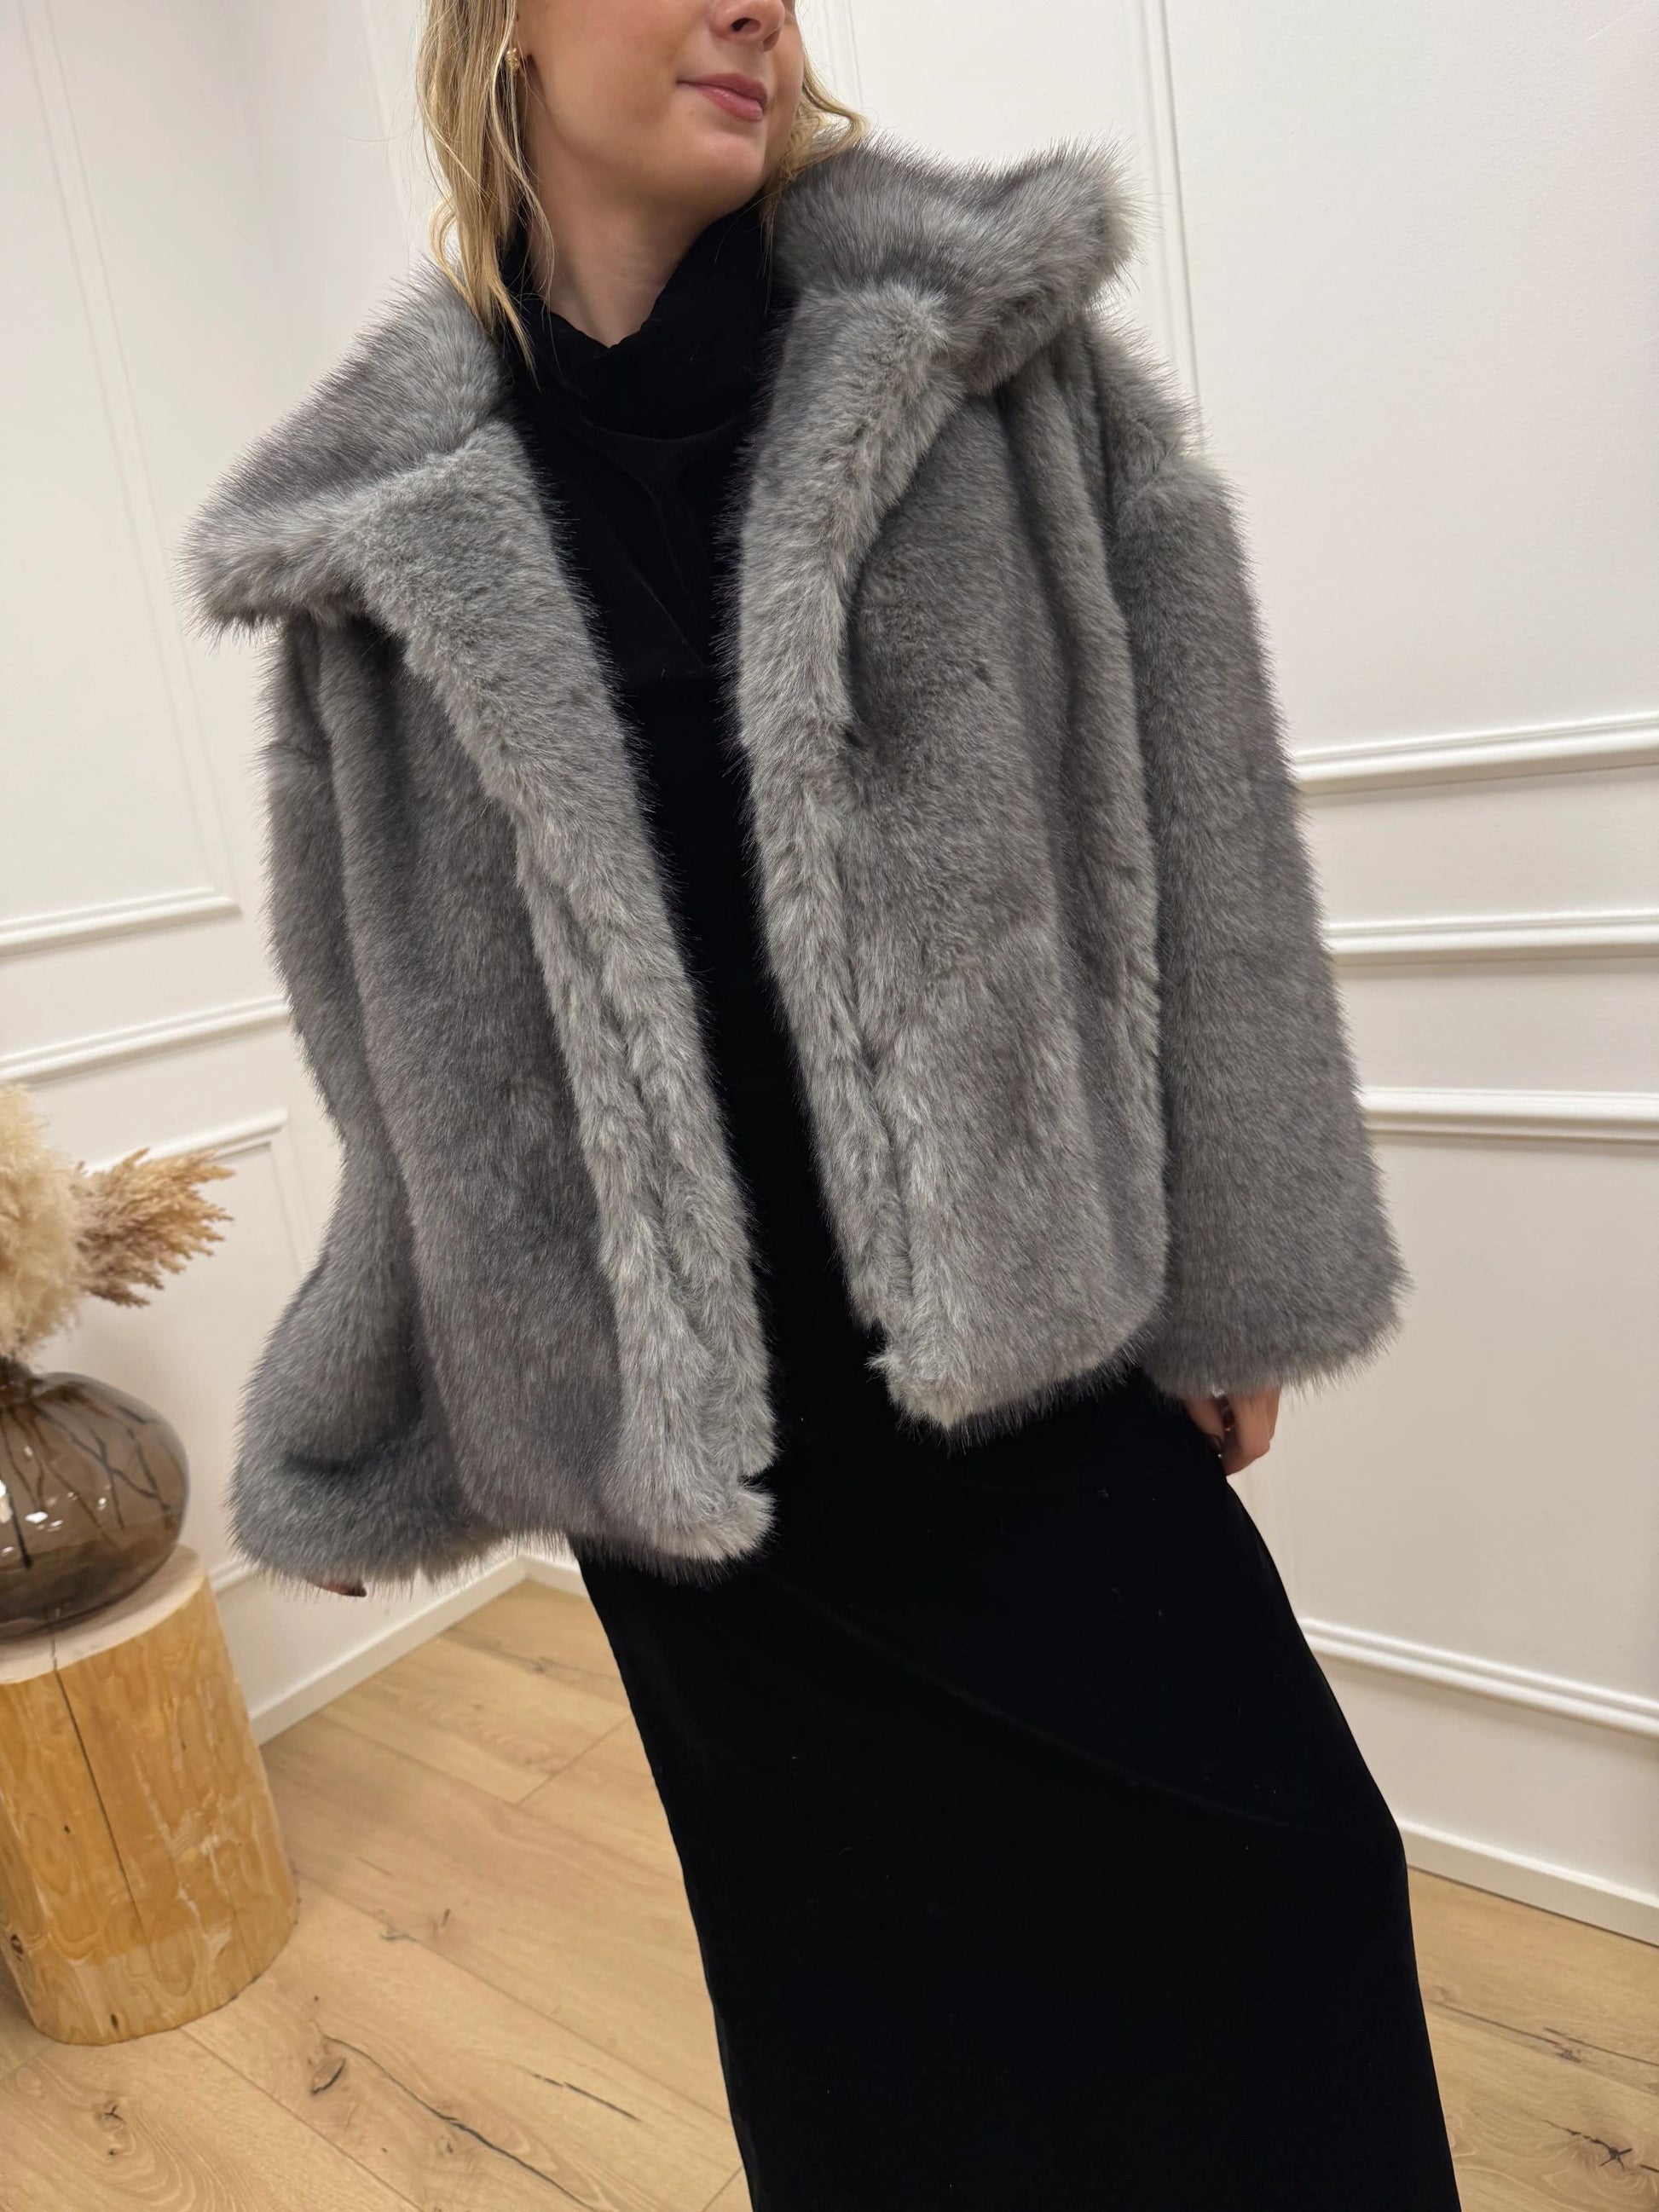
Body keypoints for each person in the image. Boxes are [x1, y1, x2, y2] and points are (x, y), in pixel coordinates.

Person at [181, 2, 1463, 2203]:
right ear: (502, 29)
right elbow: (390, 1040)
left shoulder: (985, 360)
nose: (751, 3)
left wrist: (1240, 1258)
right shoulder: (375, 542)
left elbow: (1208, 827)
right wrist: (412, 1392)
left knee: (1283, 1903)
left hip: (1017, 1366)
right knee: (872, 2033)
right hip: (701, 1473)